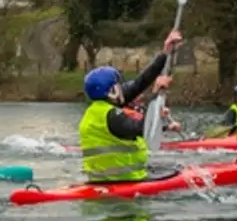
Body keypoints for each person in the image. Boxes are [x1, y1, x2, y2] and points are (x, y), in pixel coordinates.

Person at [78, 31, 183, 184]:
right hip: (126, 181)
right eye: (119, 85)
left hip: (102, 180)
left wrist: (165, 53)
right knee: (178, 170)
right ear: (112, 91)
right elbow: (144, 129)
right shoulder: (112, 116)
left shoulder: (97, 111)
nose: (123, 87)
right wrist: (155, 94)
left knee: (170, 167)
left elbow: (140, 83)